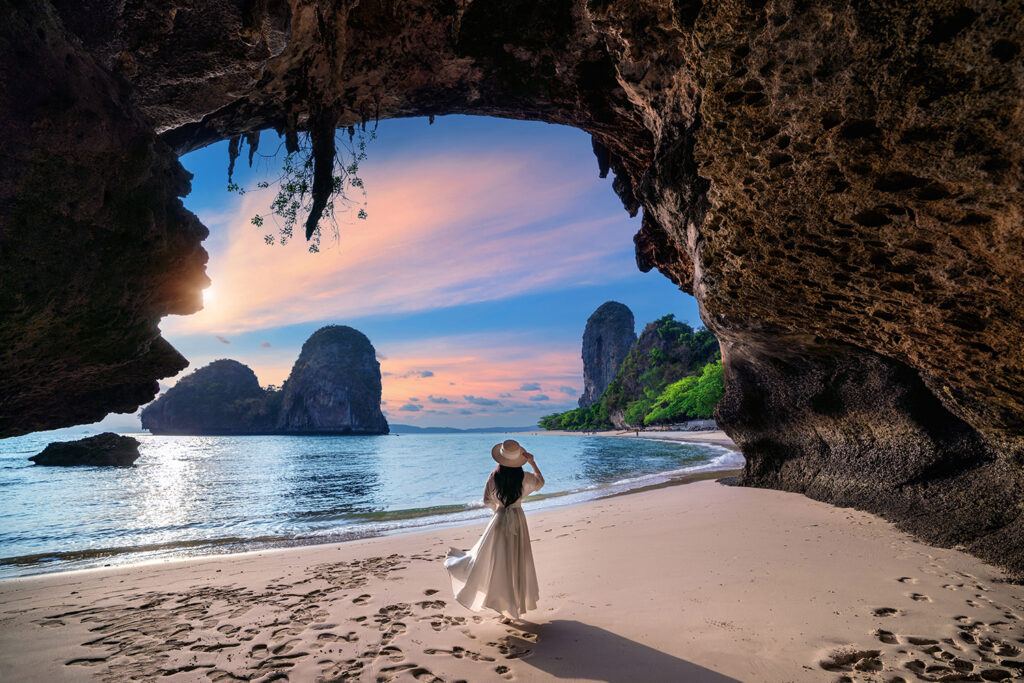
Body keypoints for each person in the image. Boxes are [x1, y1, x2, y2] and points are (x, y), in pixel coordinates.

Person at [444, 439, 545, 622]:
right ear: (518, 459)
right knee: (516, 562)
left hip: (499, 520)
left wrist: (499, 510)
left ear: (501, 458)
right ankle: (513, 608)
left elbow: (486, 500)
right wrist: (532, 462)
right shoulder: (524, 477)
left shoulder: (494, 476)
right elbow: (540, 483)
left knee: (497, 563)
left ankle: (505, 609)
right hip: (518, 520)